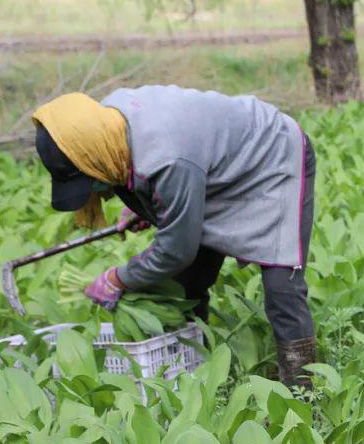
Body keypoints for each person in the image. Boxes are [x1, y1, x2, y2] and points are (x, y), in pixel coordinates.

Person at [31, 86, 317, 387]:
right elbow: (155, 178)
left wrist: (119, 277)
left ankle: (302, 393)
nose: (95, 189)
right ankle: (200, 373)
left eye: (90, 179)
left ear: (95, 157)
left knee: (281, 287)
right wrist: (146, 204)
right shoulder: (103, 128)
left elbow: (176, 250)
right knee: (188, 282)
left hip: (271, 155)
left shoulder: (167, 160)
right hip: (209, 165)